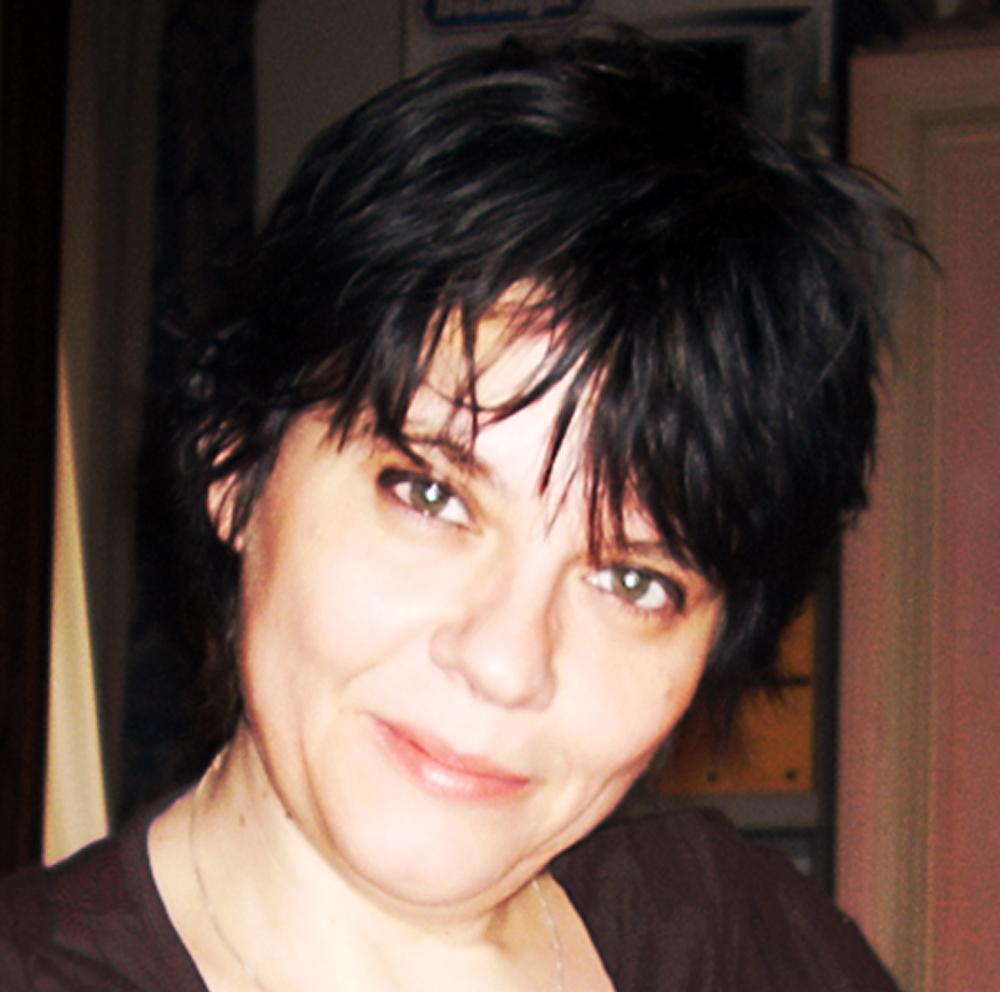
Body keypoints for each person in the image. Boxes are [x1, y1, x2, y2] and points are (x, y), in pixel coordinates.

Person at [0, 30, 913, 992]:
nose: (506, 662)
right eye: (430, 495)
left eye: (632, 580)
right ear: (236, 461)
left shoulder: (746, 940)